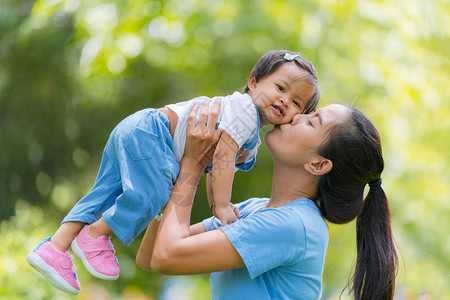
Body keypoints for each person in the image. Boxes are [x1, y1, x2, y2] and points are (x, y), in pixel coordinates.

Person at [26, 50, 321, 295]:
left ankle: (56, 247)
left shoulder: (246, 130)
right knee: (150, 194)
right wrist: (220, 206)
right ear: (253, 82)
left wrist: (218, 202)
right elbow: (222, 162)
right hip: (154, 139)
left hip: (141, 128)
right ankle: (95, 234)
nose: (285, 101)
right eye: (280, 88)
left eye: (296, 102)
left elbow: (215, 169)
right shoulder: (244, 113)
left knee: (104, 193)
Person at [136, 99, 398, 300]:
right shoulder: (255, 209)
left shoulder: (294, 225)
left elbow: (166, 257)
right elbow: (150, 257)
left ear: (318, 164)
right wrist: (181, 164)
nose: (296, 117)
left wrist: (193, 165)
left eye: (311, 122)